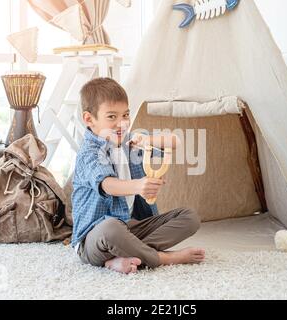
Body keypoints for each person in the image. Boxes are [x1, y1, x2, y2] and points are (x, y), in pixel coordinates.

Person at [72, 77, 205, 274]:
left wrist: (148, 140)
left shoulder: (130, 141)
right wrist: (138, 185)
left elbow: (174, 141)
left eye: (125, 115)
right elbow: (107, 185)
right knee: (111, 229)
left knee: (190, 217)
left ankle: (123, 256)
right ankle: (163, 258)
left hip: (130, 228)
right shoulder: (89, 152)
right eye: (112, 117)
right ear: (89, 119)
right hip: (95, 235)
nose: (122, 123)